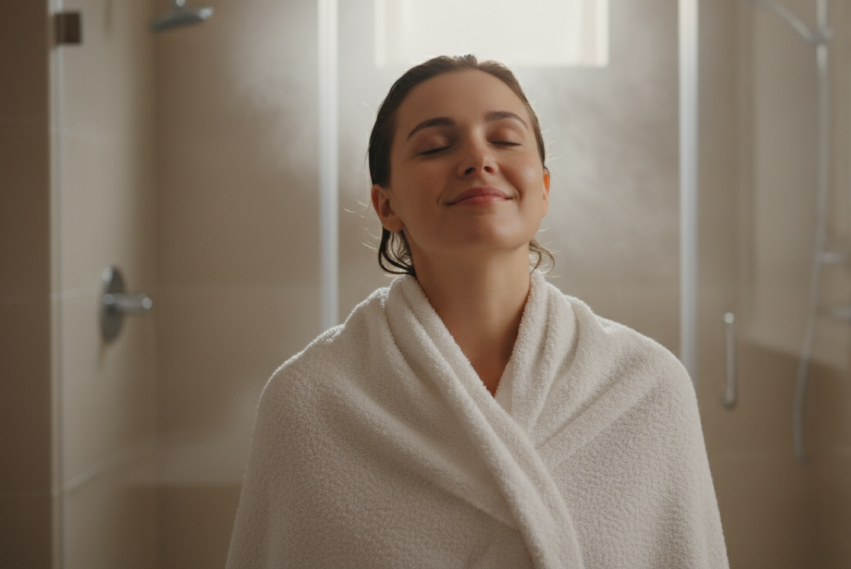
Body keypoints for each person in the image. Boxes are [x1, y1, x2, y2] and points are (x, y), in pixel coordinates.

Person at [226, 55, 728, 569]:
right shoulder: (309, 401)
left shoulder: (647, 386)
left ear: (544, 190)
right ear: (386, 205)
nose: (478, 158)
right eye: (435, 146)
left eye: (505, 139)